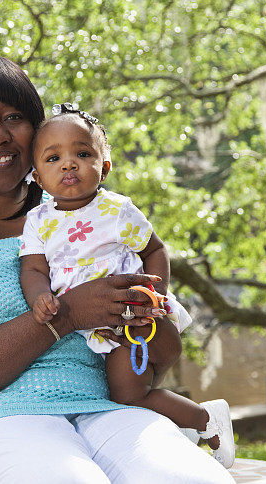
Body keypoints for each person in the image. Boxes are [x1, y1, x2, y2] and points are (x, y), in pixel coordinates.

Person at [0, 54, 235, 484]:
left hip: (106, 411)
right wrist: (65, 316)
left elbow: (157, 354)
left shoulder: (86, 214)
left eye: (13, 118)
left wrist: (148, 319)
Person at [19, 103, 235, 468]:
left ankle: (196, 421)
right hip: (100, 331)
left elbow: (155, 249)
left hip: (138, 319)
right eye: (53, 158)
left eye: (82, 153)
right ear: (38, 178)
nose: (68, 164)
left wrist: (156, 296)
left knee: (146, 375)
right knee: (132, 395)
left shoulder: (117, 210)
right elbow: (33, 269)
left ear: (103, 167)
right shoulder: (38, 221)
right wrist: (40, 297)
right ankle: (197, 418)